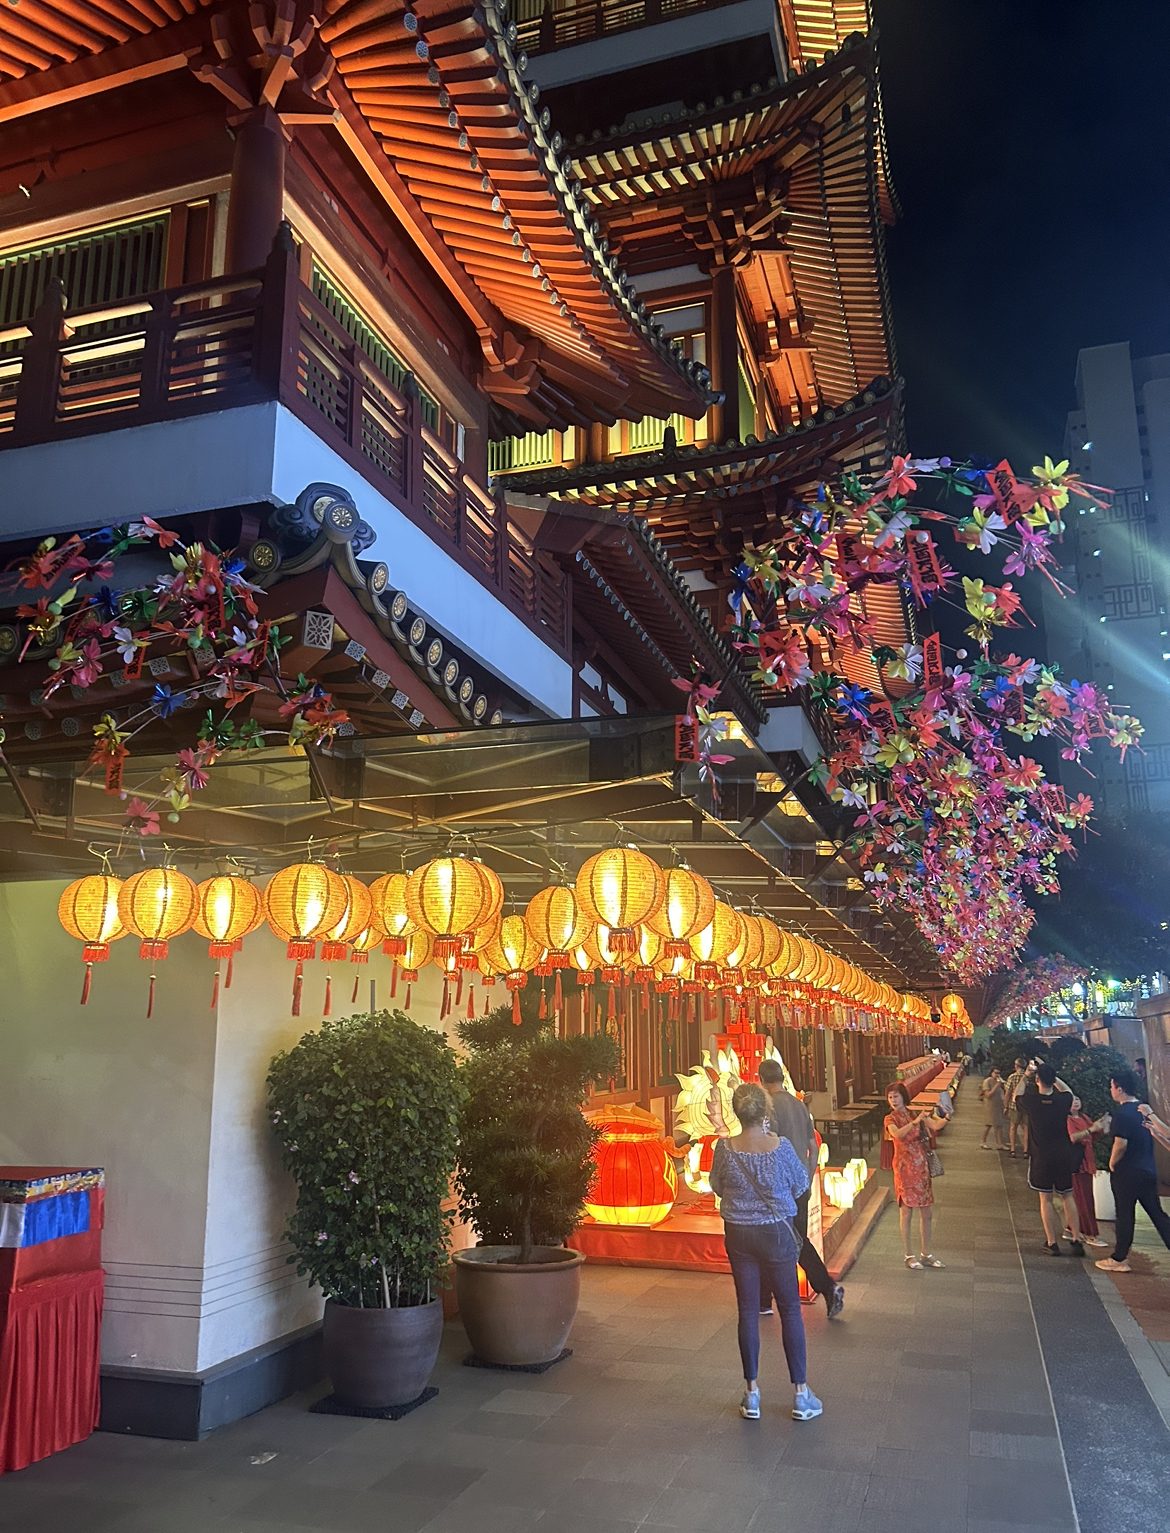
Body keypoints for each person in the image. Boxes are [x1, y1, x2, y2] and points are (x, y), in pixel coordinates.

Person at [708, 1083, 822, 1423]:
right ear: (765, 1112)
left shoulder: (724, 1148)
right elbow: (801, 1184)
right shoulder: (781, 1147)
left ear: (737, 1113)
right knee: (789, 1309)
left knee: (747, 1309)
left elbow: (716, 1184)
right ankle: (801, 1395)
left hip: (739, 1234)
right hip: (776, 1233)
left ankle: (752, 1393)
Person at [757, 1059, 845, 1320]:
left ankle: (826, 1287)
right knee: (794, 1239)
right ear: (782, 1077)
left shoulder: (768, 1109)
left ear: (761, 1080)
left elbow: (766, 1146)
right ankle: (765, 1299)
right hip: (801, 1183)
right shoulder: (799, 1105)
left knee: (782, 1240)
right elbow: (814, 1145)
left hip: (779, 1186)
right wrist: (808, 1174)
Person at [1095, 1069, 1170, 1274]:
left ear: (1119, 1089)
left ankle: (1119, 1258)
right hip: (1148, 1171)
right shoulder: (1142, 1109)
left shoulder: (1122, 1114)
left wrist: (1112, 1163)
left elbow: (1121, 1144)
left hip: (1127, 1173)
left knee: (1125, 1215)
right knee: (1157, 1214)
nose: (1110, 1090)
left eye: (1111, 1087)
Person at [1012, 1063, 1085, 1256]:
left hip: (1041, 1157)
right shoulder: (1063, 1100)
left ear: (1037, 1080)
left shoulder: (1032, 1101)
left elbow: (1015, 1096)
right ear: (1053, 1080)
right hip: (1063, 1155)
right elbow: (1067, 1090)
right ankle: (1077, 1240)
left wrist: (1026, 1074)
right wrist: (1051, 1074)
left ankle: (1052, 1243)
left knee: (1046, 1199)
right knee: (1067, 1196)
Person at [884, 1081, 943, 1270]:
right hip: (904, 1169)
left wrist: (946, 1113)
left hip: (921, 1167)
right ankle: (909, 1255)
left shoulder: (913, 1114)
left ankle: (927, 1253)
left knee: (927, 1212)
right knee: (906, 1211)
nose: (893, 1100)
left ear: (903, 1097)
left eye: (896, 1096)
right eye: (890, 1097)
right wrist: (915, 1122)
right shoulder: (890, 1119)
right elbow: (898, 1135)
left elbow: (935, 1125)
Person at [1064, 1096, 1108, 1247]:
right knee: (1084, 1199)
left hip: (1086, 1161)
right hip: (1078, 1163)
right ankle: (1090, 1233)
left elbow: (1093, 1135)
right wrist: (1091, 1129)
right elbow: (1073, 1137)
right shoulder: (1068, 1119)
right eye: (1072, 1100)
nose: (1076, 1102)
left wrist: (1101, 1127)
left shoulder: (1083, 1117)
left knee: (1082, 1198)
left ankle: (1072, 1228)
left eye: (1077, 1099)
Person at [1004, 1057, 1030, 1156]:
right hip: (1026, 1106)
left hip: (1014, 1105)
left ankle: (1013, 1149)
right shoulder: (1029, 1077)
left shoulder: (1012, 1077)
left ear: (1016, 1066)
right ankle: (1025, 1150)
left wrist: (1005, 1106)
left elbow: (1007, 1093)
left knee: (1013, 1127)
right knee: (1026, 1128)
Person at [979, 1068, 1007, 1151]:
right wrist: (996, 1086)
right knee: (989, 1124)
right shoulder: (987, 1082)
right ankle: (983, 1141)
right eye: (995, 1073)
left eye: (998, 1073)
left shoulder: (998, 1082)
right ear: (991, 1073)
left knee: (999, 1124)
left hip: (998, 1105)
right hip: (990, 1106)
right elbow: (988, 1095)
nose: (997, 1075)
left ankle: (999, 1143)